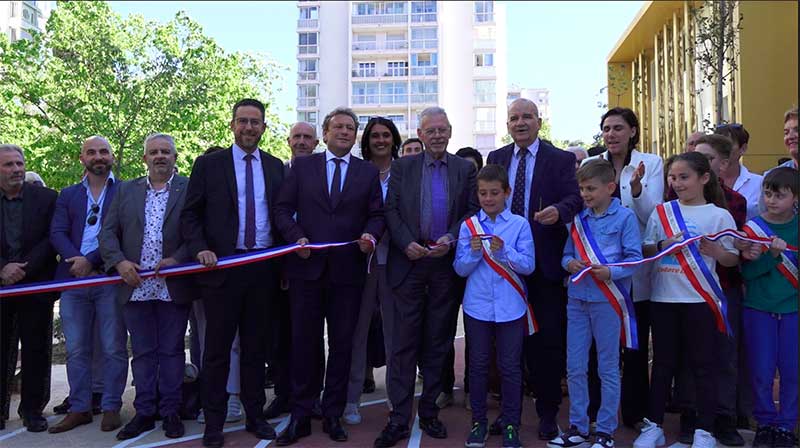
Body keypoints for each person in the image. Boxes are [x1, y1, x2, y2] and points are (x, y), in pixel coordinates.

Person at [273, 107, 384, 446]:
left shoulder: (367, 172)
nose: (345, 132)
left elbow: (377, 215)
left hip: (347, 272)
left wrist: (370, 237)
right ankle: (301, 415)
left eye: (351, 128)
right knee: (304, 344)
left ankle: (332, 413)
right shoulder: (302, 166)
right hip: (306, 269)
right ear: (325, 133)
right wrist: (295, 238)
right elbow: (281, 209)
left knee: (342, 346)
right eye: (338, 127)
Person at [181, 98, 286, 448]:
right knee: (216, 352)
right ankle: (214, 422)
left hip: (262, 271)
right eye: (242, 121)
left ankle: (255, 416)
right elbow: (191, 215)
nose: (248, 128)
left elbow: (282, 215)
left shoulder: (275, 167)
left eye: (255, 122)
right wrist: (200, 249)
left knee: (257, 349)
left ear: (264, 128)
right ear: (232, 125)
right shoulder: (209, 165)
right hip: (222, 271)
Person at [374, 106, 479, 448]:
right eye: (430, 130)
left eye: (442, 129)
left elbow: (470, 210)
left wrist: (451, 237)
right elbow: (389, 210)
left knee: (437, 344)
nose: (437, 135)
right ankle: (399, 419)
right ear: (419, 134)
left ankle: (430, 413)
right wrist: (406, 244)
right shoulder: (402, 166)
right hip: (409, 265)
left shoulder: (464, 169)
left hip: (444, 267)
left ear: (450, 132)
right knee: (403, 347)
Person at [487, 98, 582, 440]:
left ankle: (546, 413)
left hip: (544, 265)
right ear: (507, 124)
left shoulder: (560, 159)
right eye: (514, 117)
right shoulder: (496, 158)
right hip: (504, 265)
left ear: (539, 121)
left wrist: (559, 210)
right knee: (508, 347)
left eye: (527, 116)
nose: (521, 122)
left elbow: (576, 198)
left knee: (547, 343)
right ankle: (509, 413)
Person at [634, 152, 740, 448]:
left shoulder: (718, 215)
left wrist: (717, 252)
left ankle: (704, 431)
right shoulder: (662, 212)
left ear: (704, 178)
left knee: (703, 365)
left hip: (701, 300)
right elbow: (645, 249)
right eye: (673, 177)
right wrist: (662, 245)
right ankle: (653, 426)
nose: (677, 183)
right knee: (663, 364)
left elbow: (732, 258)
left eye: (684, 177)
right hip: (664, 298)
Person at [99, 133, 194, 440]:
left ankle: (171, 411)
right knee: (142, 353)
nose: (159, 156)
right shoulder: (126, 190)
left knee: (171, 351)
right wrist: (119, 263)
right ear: (145, 158)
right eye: (153, 152)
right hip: (134, 284)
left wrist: (179, 258)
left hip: (172, 285)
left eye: (166, 151)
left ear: (175, 157)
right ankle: (144, 412)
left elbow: (197, 231)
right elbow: (107, 233)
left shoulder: (188, 188)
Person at [551, 159, 642, 448]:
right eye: (582, 188)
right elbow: (566, 254)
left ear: (610, 187)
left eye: (591, 188)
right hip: (577, 300)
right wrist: (570, 263)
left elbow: (634, 257)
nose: (585, 194)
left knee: (608, 367)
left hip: (608, 301)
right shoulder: (579, 219)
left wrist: (611, 272)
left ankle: (605, 430)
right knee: (575, 365)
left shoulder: (625, 218)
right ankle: (578, 426)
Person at [584, 107, 664, 429]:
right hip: (600, 277)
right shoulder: (592, 165)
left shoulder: (651, 163)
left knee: (633, 346)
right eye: (606, 128)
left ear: (633, 131)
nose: (611, 134)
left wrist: (635, 189)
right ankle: (594, 415)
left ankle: (633, 414)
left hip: (636, 273)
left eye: (618, 128)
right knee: (597, 351)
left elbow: (653, 214)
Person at [670, 134, 748, 445]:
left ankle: (724, 417)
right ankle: (690, 415)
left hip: (723, 288)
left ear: (721, 165)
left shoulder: (734, 202)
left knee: (725, 354)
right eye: (695, 156)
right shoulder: (675, 200)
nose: (701, 162)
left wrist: (724, 251)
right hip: (685, 290)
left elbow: (737, 249)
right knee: (690, 356)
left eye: (708, 159)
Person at [48, 135, 128, 434]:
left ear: (111, 157)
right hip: (73, 281)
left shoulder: (125, 191)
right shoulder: (67, 195)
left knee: (113, 347)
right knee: (77, 349)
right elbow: (56, 231)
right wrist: (76, 260)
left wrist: (91, 260)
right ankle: (80, 407)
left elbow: (122, 231)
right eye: (91, 152)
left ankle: (111, 406)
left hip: (108, 278)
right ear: (82, 158)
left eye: (104, 151)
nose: (99, 156)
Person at [454, 164, 535, 448]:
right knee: (477, 366)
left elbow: (528, 265)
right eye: (483, 193)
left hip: (511, 307)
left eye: (494, 193)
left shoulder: (519, 225)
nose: (488, 199)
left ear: (506, 193)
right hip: (477, 307)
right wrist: (474, 254)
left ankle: (511, 424)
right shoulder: (469, 226)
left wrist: (504, 251)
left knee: (510, 367)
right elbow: (460, 269)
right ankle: (479, 422)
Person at [343, 116, 401, 425]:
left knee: (395, 335)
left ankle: (396, 395)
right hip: (360, 264)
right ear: (367, 141)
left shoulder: (405, 170)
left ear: (393, 139)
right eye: (374, 135)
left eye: (386, 135)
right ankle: (351, 399)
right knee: (357, 334)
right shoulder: (358, 172)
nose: (380, 140)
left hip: (395, 263)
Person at [265, 122, 321, 420]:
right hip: (279, 266)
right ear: (288, 141)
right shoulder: (276, 172)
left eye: (307, 137)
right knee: (280, 336)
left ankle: (312, 396)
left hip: (314, 265)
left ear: (316, 142)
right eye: (297, 136)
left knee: (310, 337)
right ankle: (283, 395)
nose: (301, 141)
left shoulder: (323, 171)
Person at [0, 144, 58, 432]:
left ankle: (33, 410)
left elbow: (51, 239)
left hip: (35, 284)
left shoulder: (46, 198)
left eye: (19, 164)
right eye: (8, 165)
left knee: (37, 350)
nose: (16, 170)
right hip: (0, 285)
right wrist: (2, 270)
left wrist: (21, 268)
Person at [739, 167, 798, 448]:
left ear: (795, 198)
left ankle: (786, 424)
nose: (772, 200)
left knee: (792, 371)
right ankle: (765, 422)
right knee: (761, 371)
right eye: (768, 193)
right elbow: (747, 274)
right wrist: (772, 256)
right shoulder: (753, 228)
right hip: (758, 308)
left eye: (780, 195)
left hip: (793, 311)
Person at [439, 145, 486, 410]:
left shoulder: (483, 203)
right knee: (444, 330)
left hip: (476, 273)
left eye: (474, 170)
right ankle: (445, 387)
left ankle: (473, 389)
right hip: (446, 264)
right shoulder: (449, 187)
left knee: (475, 336)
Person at [714, 124, 763, 220]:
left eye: (728, 145)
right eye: (717, 145)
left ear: (743, 149)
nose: (721, 150)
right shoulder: (703, 182)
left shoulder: (759, 183)